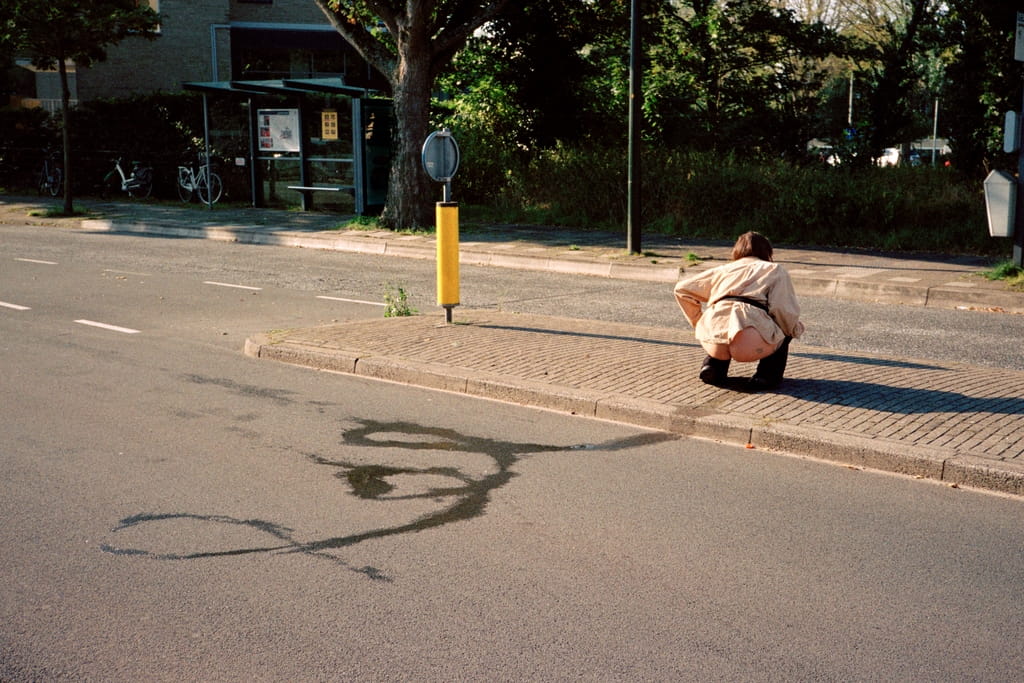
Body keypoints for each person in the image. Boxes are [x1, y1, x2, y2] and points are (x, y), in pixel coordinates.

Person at [673, 231, 804, 390]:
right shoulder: (774, 269)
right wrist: (792, 329)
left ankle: (713, 367)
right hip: (749, 343)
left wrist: (699, 322)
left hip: (713, 338)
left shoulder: (724, 269)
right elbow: (783, 310)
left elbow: (681, 289)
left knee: (725, 328)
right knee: (787, 329)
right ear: (767, 251)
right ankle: (766, 376)